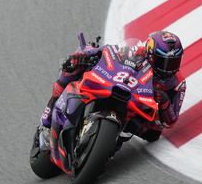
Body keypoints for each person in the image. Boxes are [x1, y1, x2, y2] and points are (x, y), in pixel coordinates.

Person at [39, 31, 186, 143]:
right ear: (151, 54)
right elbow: (109, 52)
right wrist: (88, 54)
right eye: (163, 62)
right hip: (121, 88)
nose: (169, 69)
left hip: (142, 110)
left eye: (174, 62)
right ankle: (50, 109)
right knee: (74, 66)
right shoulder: (137, 52)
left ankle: (108, 147)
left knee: (152, 134)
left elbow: (170, 121)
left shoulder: (177, 83)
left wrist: (165, 102)